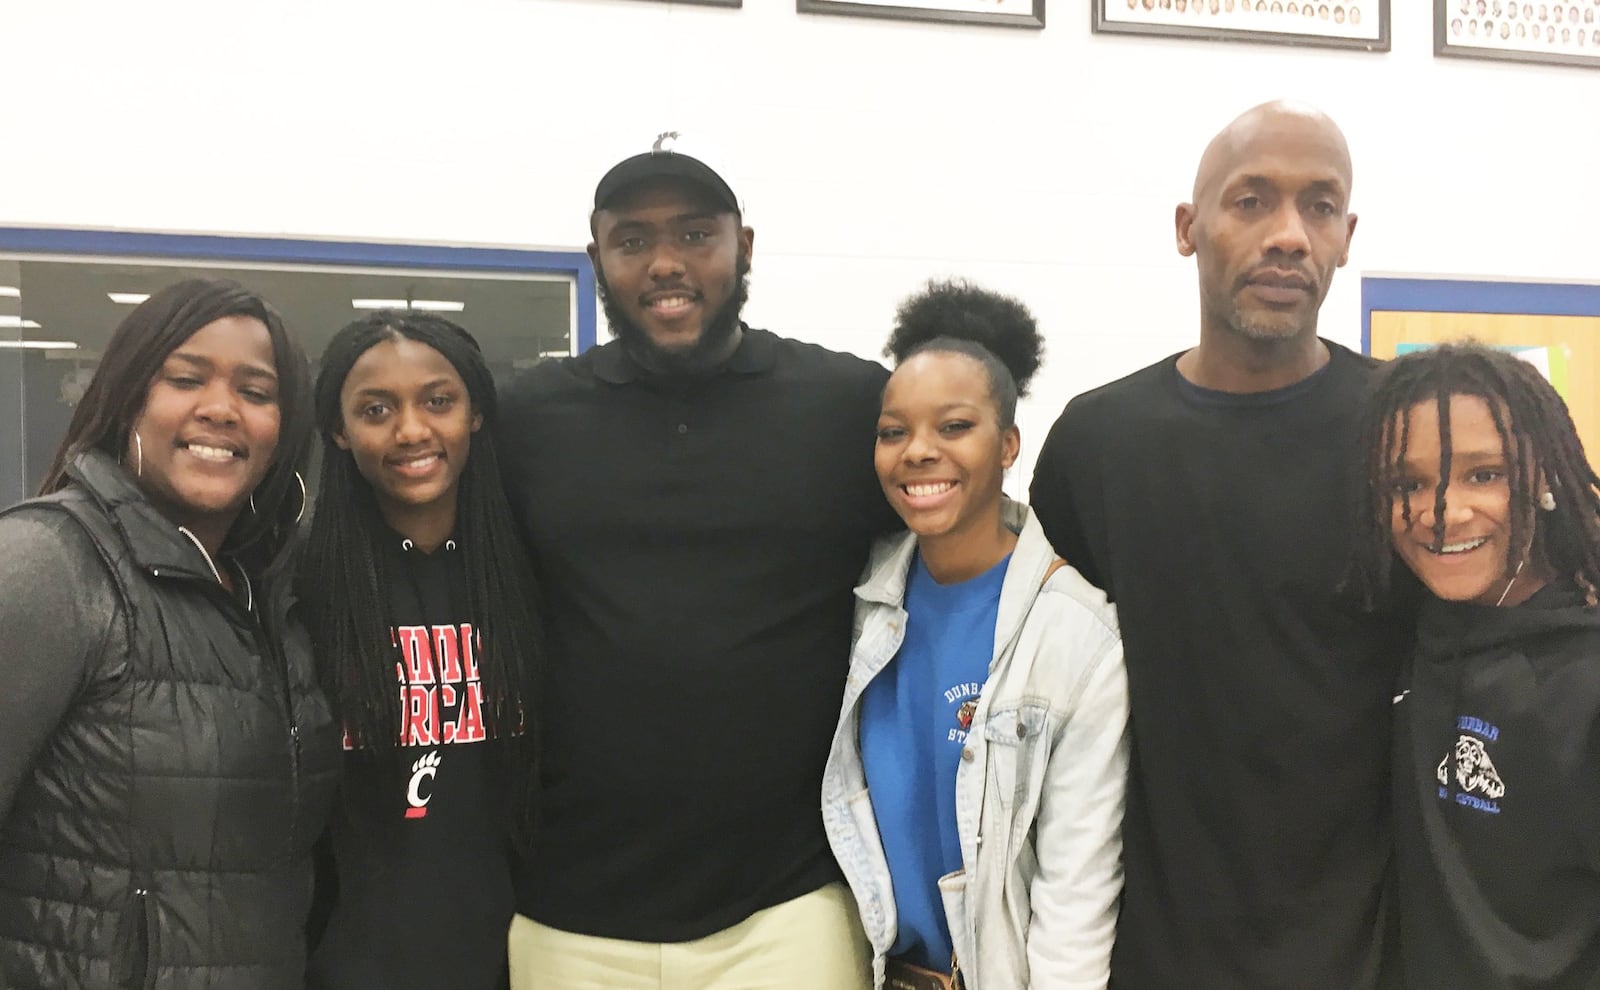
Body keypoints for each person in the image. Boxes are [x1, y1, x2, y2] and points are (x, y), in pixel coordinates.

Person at [1029, 101, 1416, 989]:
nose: (1289, 235)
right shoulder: (1098, 443)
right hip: (1151, 947)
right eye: (1252, 201)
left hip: (1373, 948)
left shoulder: (1411, 430)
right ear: (1187, 228)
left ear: (1348, 236)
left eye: (1319, 206)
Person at [498, 134, 897, 989]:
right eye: (633, 240)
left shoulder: (846, 403)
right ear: (598, 257)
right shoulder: (528, 417)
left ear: (743, 245)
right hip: (570, 913)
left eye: (694, 235)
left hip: (788, 909)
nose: (664, 263)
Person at [0, 278, 340, 988]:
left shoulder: (262, 594)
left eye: (256, 391)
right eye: (185, 379)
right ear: (129, 398)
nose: (221, 410)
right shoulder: (50, 564)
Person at [822, 281, 1129, 990]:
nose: (918, 452)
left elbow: (1075, 890)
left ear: (1008, 444)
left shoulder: (1076, 638)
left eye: (954, 427)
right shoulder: (863, 600)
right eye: (894, 431)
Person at [299, 312, 543, 990]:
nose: (411, 430)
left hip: (525, 961)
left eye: (438, 401)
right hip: (345, 968)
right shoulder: (296, 586)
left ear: (476, 416)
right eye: (376, 409)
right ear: (341, 432)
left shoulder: (537, 573)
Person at [1347, 343, 1600, 989]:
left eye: (1483, 474)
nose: (1444, 514)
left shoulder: (1583, 675)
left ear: (1541, 475)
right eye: (1408, 484)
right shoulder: (1404, 628)